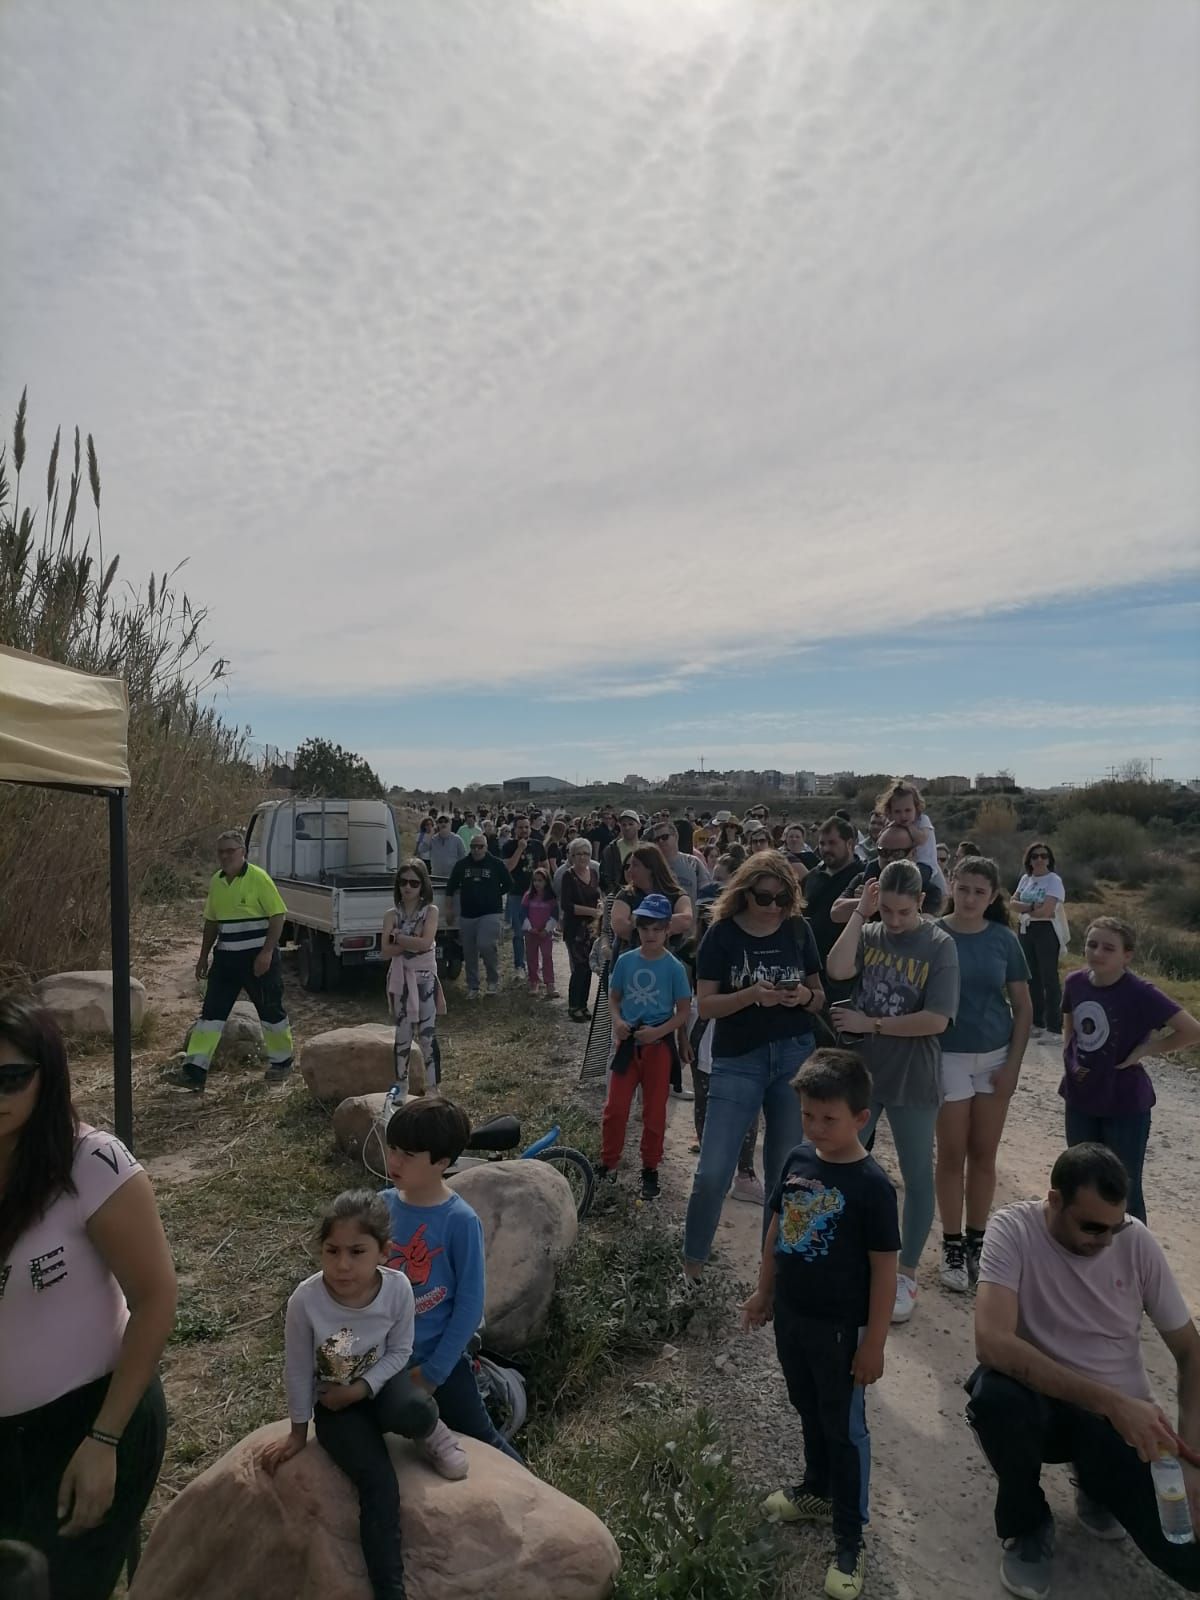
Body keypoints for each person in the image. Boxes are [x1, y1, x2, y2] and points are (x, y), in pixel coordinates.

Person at [968, 1143, 1200, 1599]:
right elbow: (992, 1342)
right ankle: (1027, 1525)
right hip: (1049, 1410)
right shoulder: (1012, 1230)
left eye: (1115, 1226)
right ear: (1055, 1201)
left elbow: (1191, 1351)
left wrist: (1192, 1458)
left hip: (1122, 1429)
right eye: (1092, 1226)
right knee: (995, 1397)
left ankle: (1099, 1488)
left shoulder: (1134, 1240)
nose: (1106, 1240)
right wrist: (1112, 1403)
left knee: (1190, 1559)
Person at [0, 998, 175, 1599]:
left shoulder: (92, 1164)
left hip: (89, 1420)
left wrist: (103, 1443)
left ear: (48, 1074)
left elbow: (155, 1298)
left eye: (12, 1077)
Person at [741, 1050, 900, 1600]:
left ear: (862, 1118)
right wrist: (765, 1291)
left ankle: (849, 1541)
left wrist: (874, 1342)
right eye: (808, 1115)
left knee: (844, 1428)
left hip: (842, 1330)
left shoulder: (872, 1185)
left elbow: (885, 1271)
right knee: (807, 1406)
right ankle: (814, 1490)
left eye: (828, 1119)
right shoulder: (795, 1160)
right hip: (793, 1317)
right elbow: (776, 1228)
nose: (815, 1128)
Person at [260, 1191, 467, 1600]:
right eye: (331, 1250)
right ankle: (390, 1591)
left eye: (357, 1251)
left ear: (384, 1251)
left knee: (414, 1409)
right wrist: (299, 1432)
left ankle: (432, 1432)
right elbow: (298, 1368)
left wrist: (362, 1388)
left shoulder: (397, 1290)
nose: (342, 1264)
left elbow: (401, 1352)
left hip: (379, 1385)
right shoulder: (305, 1301)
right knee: (379, 1486)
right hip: (335, 1406)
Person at [825, 862, 959, 1323]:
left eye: (904, 912)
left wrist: (872, 1023)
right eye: (888, 910)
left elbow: (937, 1020)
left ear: (921, 902)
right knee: (844, 1164)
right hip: (863, 1074)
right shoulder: (871, 930)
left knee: (916, 1174)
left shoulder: (941, 945)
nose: (895, 921)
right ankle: (845, 1254)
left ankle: (904, 1273)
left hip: (911, 1076)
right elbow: (837, 969)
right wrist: (862, 915)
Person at [683, 853, 825, 1274]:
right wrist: (750, 995)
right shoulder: (721, 934)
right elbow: (706, 1006)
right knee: (712, 1172)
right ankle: (691, 1268)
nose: (774, 907)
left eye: (783, 897)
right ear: (745, 893)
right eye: (765, 897)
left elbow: (820, 995)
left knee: (788, 1175)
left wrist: (802, 996)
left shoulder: (799, 930)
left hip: (793, 1055)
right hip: (738, 1060)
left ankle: (778, 1273)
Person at [380, 1100, 524, 1463]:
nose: (394, 1161)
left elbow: (469, 1305)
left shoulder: (459, 1220)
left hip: (436, 1362)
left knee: (484, 1442)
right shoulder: (379, 1207)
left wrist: (432, 1373)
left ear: (442, 1162)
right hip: (383, 1360)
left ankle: (542, 1505)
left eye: (408, 1154)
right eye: (392, 1148)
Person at [1061, 915, 1200, 1225]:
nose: (1097, 952)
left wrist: (1147, 1050)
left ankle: (1133, 1261)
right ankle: (1084, 1247)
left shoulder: (1141, 992)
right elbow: (1069, 1021)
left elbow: (1191, 1030)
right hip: (1081, 1096)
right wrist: (1069, 1056)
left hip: (1124, 1102)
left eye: (1108, 948)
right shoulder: (1075, 981)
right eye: (1092, 944)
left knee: (1123, 1188)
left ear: (1127, 955)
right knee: (1080, 1178)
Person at [934, 857, 1032, 1292]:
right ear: (951, 886)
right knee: (951, 1154)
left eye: (980, 891)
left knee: (984, 1154)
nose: (970, 898)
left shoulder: (1004, 940)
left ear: (992, 896)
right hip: (946, 1056)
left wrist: (1013, 1065)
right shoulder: (933, 934)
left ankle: (978, 1239)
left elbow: (1024, 1006)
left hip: (993, 1057)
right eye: (964, 888)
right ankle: (951, 1242)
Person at [168, 828, 294, 1091]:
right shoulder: (216, 881)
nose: (225, 856)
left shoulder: (258, 878)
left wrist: (267, 952)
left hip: (257, 958)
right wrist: (203, 956)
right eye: (221, 852)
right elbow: (212, 921)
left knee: (270, 1011)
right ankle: (194, 1071)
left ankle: (282, 1063)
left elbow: (278, 916)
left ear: (243, 853)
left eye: (230, 851)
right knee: (211, 1014)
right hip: (225, 958)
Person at [600, 894, 693, 1200]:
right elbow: (614, 998)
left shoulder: (675, 967)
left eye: (657, 928)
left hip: (657, 1046)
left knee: (654, 1112)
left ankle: (650, 1168)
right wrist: (617, 1022)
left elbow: (682, 1012)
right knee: (615, 1108)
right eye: (644, 928)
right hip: (628, 1044)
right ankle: (608, 1163)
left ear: (668, 930)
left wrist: (660, 1033)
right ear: (637, 929)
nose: (650, 934)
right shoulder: (626, 961)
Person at [383, 858, 442, 1093]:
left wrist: (397, 937)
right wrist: (412, 943)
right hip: (400, 979)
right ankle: (401, 1084)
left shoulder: (431, 912)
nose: (408, 887)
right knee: (403, 1034)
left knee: (427, 1034)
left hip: (425, 978)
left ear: (423, 885)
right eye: (403, 882)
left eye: (414, 883)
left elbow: (426, 943)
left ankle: (434, 1087)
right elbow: (385, 951)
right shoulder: (391, 915)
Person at [444, 833, 514, 999]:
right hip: (467, 914)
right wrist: (449, 909)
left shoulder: (496, 863)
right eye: (473, 846)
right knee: (469, 952)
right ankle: (473, 986)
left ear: (486, 847)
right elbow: (451, 887)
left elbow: (509, 883)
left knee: (486, 944)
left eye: (480, 846)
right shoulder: (462, 865)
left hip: (490, 912)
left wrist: (494, 894)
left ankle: (492, 981)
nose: (476, 850)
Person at [802, 818, 867, 996]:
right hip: (811, 969)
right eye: (822, 843)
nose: (825, 849)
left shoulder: (862, 877)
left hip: (846, 973)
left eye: (832, 843)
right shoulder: (813, 876)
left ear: (850, 843)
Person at [830, 823, 934, 927]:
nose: (890, 858)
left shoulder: (926, 887)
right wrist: (866, 902)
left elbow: (926, 928)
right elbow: (836, 912)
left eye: (898, 853)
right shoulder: (866, 879)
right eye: (883, 852)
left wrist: (882, 900)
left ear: (913, 853)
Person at [1013, 843, 1067, 1039]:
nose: (1039, 860)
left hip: (1046, 930)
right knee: (1031, 976)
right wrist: (1033, 906)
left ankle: (1054, 1027)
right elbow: (1012, 903)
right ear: (1029, 860)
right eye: (1035, 856)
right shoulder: (1026, 879)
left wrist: (1026, 907)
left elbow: (1047, 910)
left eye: (1044, 856)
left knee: (1049, 977)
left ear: (1049, 859)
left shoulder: (1053, 880)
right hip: (1026, 929)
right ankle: (1038, 1022)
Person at [875, 781, 945, 912]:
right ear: (890, 811)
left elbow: (921, 839)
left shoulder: (922, 820)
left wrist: (909, 827)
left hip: (926, 864)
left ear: (916, 808)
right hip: (907, 862)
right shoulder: (893, 823)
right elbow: (882, 839)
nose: (903, 816)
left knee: (911, 883)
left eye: (908, 810)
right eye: (898, 811)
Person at [560, 837, 602, 1020]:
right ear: (571, 856)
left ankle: (584, 1006)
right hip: (575, 929)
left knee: (588, 968)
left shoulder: (594, 873)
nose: (582, 857)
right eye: (578, 854)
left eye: (586, 853)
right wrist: (592, 911)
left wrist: (599, 908)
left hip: (591, 928)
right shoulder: (568, 876)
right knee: (578, 968)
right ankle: (573, 1006)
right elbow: (567, 905)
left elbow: (596, 894)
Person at [500, 817, 546, 981]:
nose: (524, 830)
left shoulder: (538, 845)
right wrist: (519, 850)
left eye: (526, 827)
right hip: (516, 894)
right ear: (515, 829)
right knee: (519, 932)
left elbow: (544, 867)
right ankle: (519, 966)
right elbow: (508, 868)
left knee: (536, 931)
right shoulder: (508, 846)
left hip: (536, 894)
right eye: (520, 828)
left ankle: (535, 966)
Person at [645, 821, 710, 909]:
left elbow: (706, 894)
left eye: (664, 837)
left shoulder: (693, 863)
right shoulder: (650, 865)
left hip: (689, 919)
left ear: (676, 837)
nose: (660, 841)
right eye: (656, 839)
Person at [521, 866, 559, 998]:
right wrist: (529, 927)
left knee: (547, 956)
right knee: (531, 957)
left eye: (540, 880)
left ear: (546, 882)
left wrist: (547, 929)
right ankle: (534, 981)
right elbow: (523, 914)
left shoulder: (551, 898)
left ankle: (550, 983)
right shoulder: (528, 896)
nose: (537, 883)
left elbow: (554, 916)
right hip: (531, 933)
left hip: (545, 934)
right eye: (535, 880)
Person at [600, 809, 643, 892]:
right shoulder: (611, 850)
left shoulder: (646, 848)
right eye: (624, 824)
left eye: (631, 824)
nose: (627, 827)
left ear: (639, 826)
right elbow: (606, 876)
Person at [427, 815, 467, 880]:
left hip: (452, 877)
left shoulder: (457, 839)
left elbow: (463, 859)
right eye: (440, 822)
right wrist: (429, 835)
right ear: (437, 824)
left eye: (446, 821)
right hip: (436, 876)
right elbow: (422, 850)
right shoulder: (433, 839)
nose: (443, 823)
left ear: (450, 823)